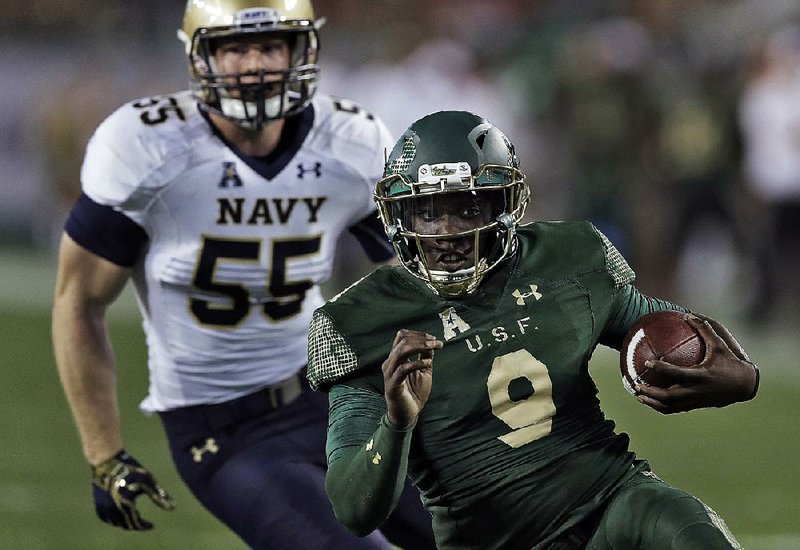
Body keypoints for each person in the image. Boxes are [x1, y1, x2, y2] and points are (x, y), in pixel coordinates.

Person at [51, 1, 435, 548]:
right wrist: (104, 454)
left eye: (270, 45)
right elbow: (78, 302)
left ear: (299, 51)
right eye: (234, 48)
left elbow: (415, 278)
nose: (253, 63)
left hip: (338, 397)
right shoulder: (147, 148)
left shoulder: (351, 141)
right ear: (201, 56)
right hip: (222, 432)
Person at [307, 110, 760, 549]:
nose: (447, 232)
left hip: (611, 503)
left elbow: (678, 335)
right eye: (427, 212)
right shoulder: (358, 323)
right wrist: (397, 422)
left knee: (678, 517)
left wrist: (742, 378)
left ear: (505, 204)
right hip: (494, 541)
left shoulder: (567, 259)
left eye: (467, 209)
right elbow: (354, 510)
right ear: (398, 215)